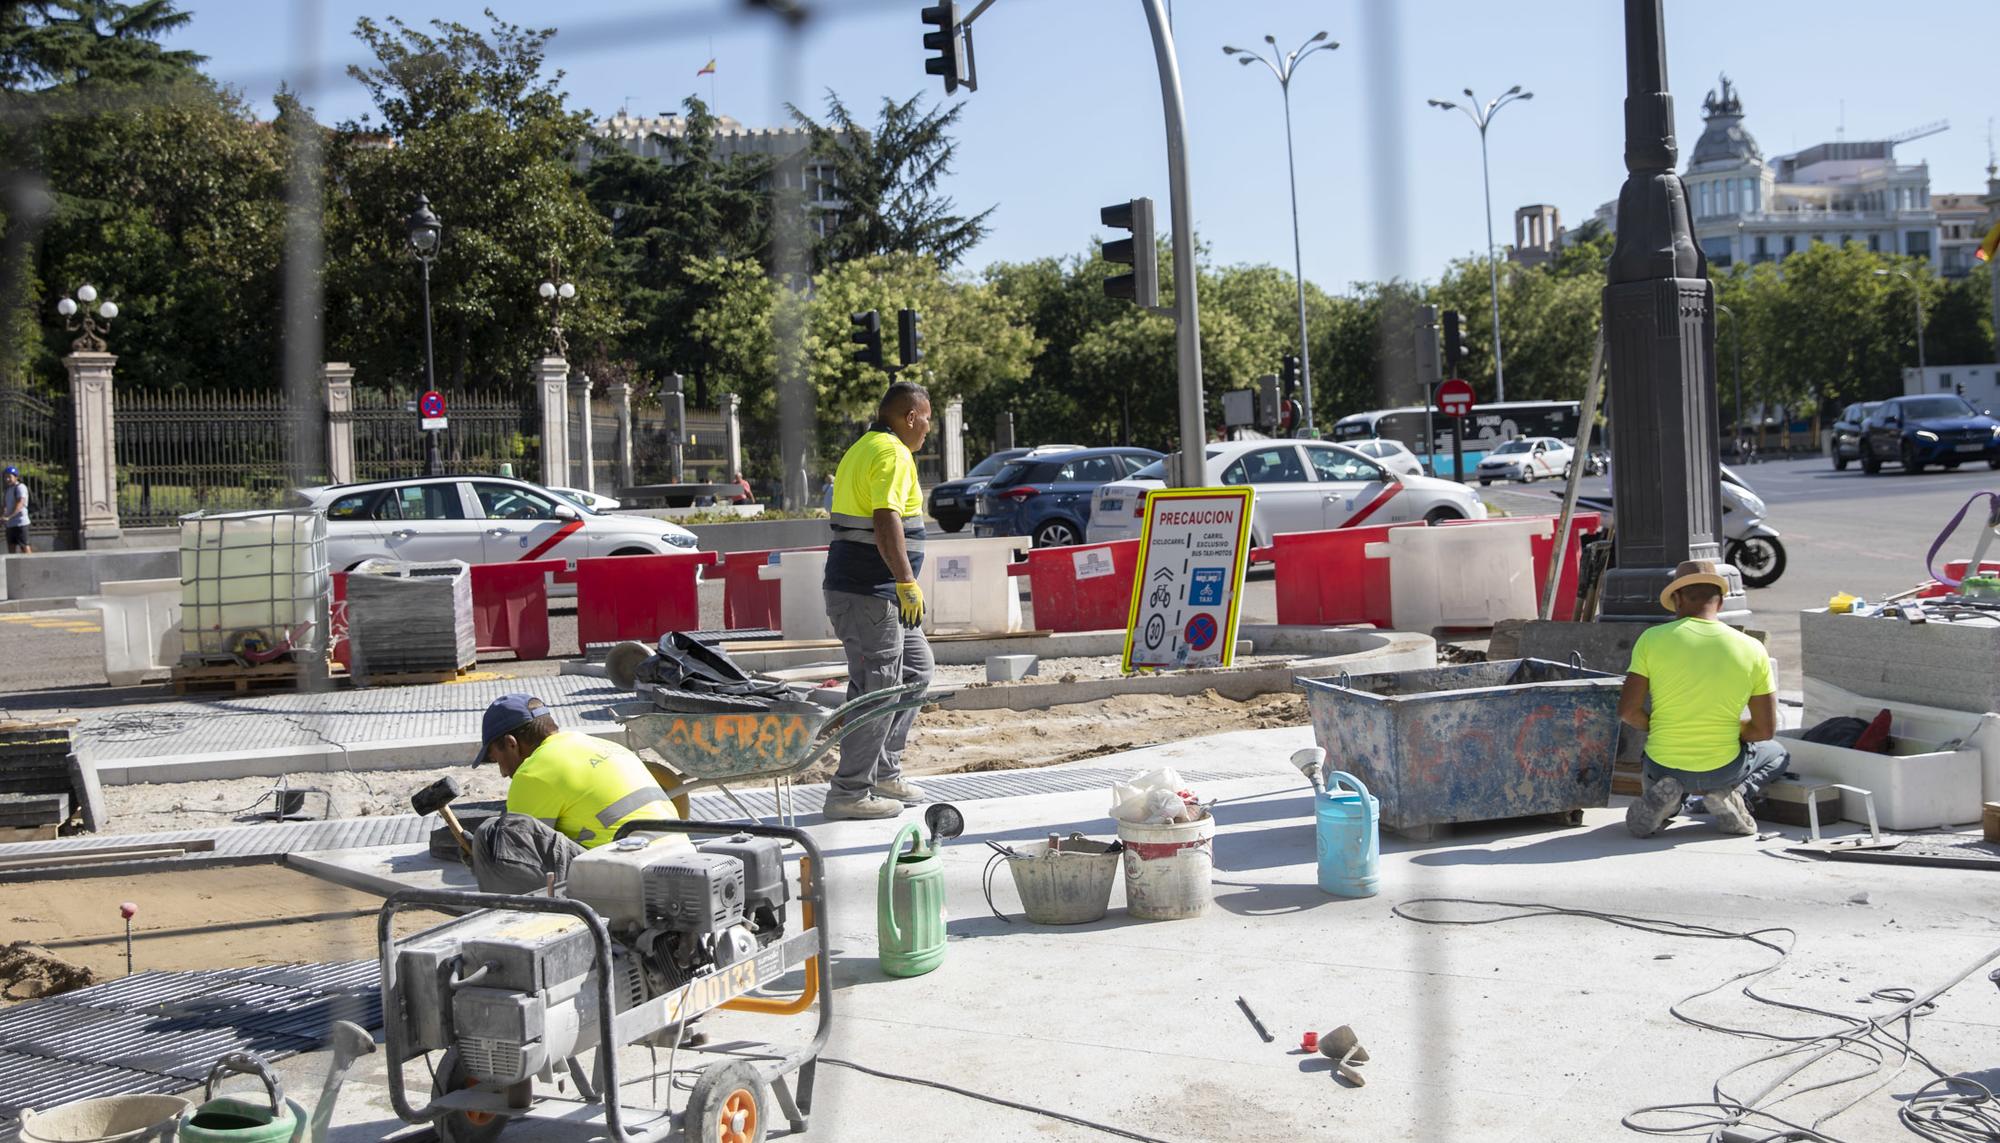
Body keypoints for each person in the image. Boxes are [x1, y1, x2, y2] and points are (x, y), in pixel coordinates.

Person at [820, 381, 935, 820]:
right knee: (879, 690)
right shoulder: (891, 453)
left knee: (916, 671)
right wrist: (906, 581)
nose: (927, 428)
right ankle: (850, 791)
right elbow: (886, 517)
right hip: (871, 593)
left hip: (875, 593)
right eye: (926, 418)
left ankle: (884, 771)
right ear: (910, 416)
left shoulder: (865, 447)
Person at [1619, 560, 1789, 838]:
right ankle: (1731, 794)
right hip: (1724, 768)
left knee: (1665, 776)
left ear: (1677, 600)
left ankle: (1669, 807)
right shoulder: (1752, 648)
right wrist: (1727, 730)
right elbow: (1764, 729)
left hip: (1664, 765)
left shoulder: (1652, 639)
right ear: (1720, 602)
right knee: (1778, 752)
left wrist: (1663, 726)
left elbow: (1628, 711)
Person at [468, 694, 683, 890]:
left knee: (497, 833)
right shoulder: (597, 744)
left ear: (511, 743)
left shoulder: (533, 772)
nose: (503, 772)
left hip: (628, 877)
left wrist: (484, 855)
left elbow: (515, 853)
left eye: (497, 759)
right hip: (679, 860)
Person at [4, 466, 30, 554]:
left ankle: (31, 565)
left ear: (16, 477)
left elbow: (20, 504)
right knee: (11, 547)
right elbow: (5, 505)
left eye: (9, 477)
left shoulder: (20, 487)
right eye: (6, 477)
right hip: (10, 524)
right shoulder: (7, 490)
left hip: (21, 523)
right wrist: (3, 516)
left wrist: (10, 516)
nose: (7, 479)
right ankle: (13, 567)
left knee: (24, 547)